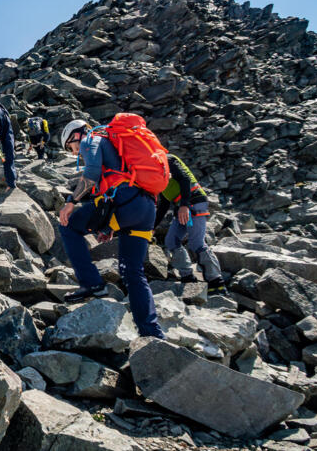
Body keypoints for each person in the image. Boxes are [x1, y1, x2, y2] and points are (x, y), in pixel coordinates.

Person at [57, 119, 165, 339]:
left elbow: (93, 172)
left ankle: (92, 284)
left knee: (69, 227)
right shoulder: (114, 143)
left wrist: (71, 201)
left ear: (77, 134)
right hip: (145, 208)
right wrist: (110, 224)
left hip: (124, 201)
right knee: (132, 272)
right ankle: (151, 333)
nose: (74, 151)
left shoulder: (91, 139)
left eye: (71, 145)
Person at [154, 153, 226, 295]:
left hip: (193, 201)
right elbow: (164, 204)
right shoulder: (156, 173)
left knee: (196, 243)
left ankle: (216, 281)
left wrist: (185, 205)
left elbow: (185, 179)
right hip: (181, 205)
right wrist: (152, 227)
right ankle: (187, 276)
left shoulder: (168, 159)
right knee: (171, 241)